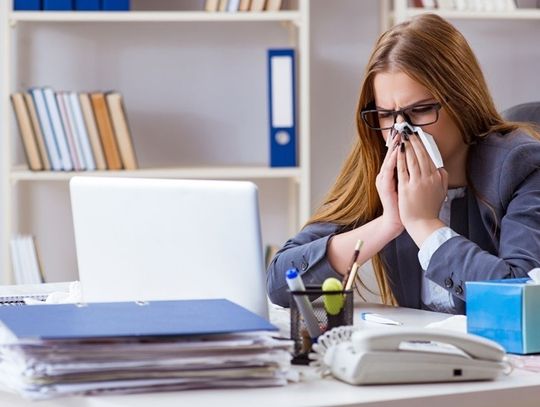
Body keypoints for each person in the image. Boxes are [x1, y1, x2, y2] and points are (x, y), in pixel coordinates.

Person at [266, 13, 540, 315]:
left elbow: (522, 302)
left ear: (463, 102)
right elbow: (281, 282)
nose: (400, 130)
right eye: (385, 115)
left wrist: (425, 226)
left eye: (420, 110)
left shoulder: (520, 164)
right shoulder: (380, 164)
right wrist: (388, 224)